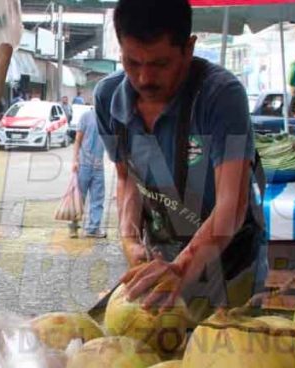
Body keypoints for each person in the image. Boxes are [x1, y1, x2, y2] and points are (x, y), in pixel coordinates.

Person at [94, 0, 267, 320]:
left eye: (160, 64)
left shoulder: (220, 95)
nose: (144, 78)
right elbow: (126, 178)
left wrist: (181, 268)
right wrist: (131, 241)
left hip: (227, 266)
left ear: (188, 48)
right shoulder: (108, 99)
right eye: (132, 62)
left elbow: (232, 206)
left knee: (222, 359)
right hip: (160, 258)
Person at [70, 107, 106, 239]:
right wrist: (75, 160)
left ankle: (93, 228)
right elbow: (77, 140)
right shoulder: (86, 116)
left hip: (98, 166)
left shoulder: (108, 118)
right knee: (79, 198)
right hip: (84, 165)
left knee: (98, 198)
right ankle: (73, 227)